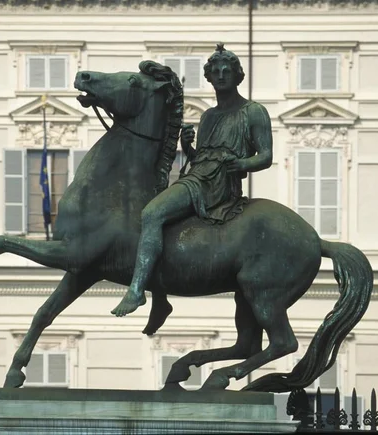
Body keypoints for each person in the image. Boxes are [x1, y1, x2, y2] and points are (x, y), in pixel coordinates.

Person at [111, 43, 273, 317]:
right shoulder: (208, 117)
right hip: (198, 177)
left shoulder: (253, 112)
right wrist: (188, 149)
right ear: (209, 77)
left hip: (218, 185)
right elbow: (202, 159)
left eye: (227, 70)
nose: (221, 75)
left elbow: (266, 156)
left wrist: (242, 163)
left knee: (152, 214)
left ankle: (136, 291)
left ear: (237, 75)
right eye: (216, 71)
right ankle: (160, 299)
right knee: (157, 219)